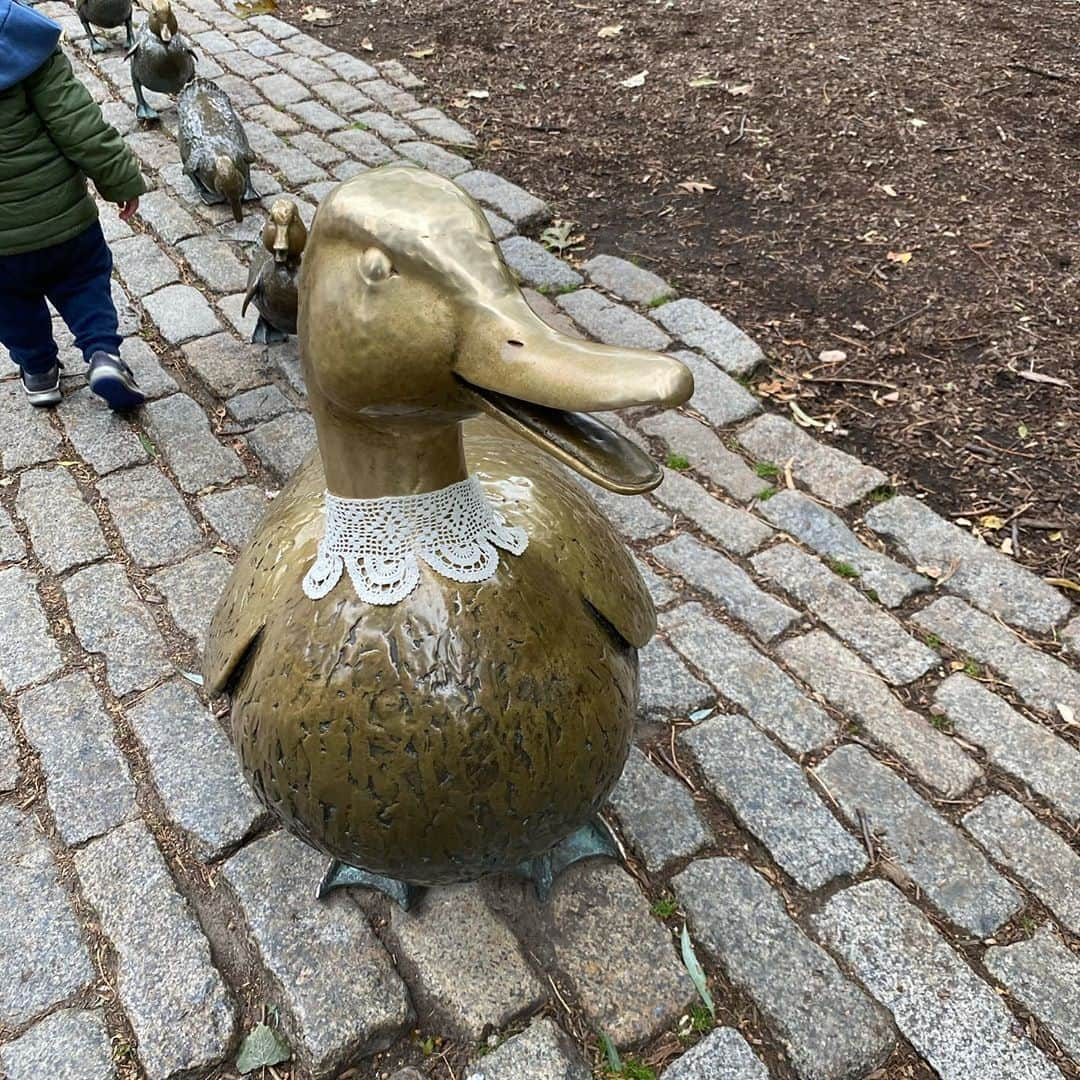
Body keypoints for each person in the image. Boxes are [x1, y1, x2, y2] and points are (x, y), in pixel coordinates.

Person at [0, 0, 147, 409]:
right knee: (84, 279)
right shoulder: (16, 37)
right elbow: (76, 121)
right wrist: (119, 179)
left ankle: (39, 371)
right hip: (63, 219)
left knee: (10, 304)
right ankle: (103, 354)